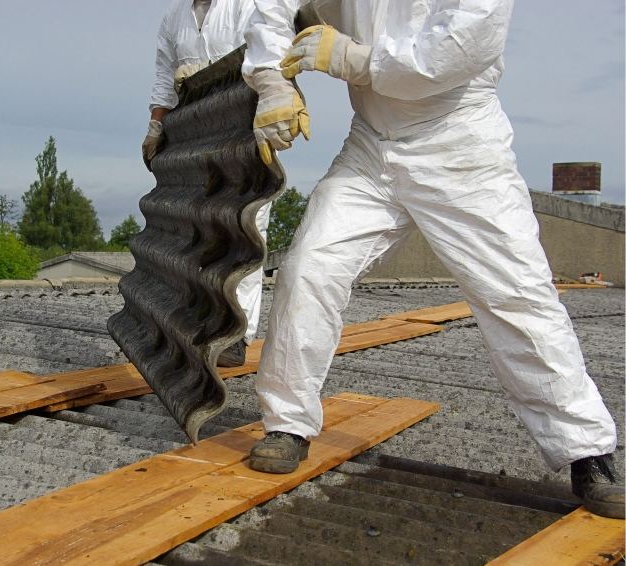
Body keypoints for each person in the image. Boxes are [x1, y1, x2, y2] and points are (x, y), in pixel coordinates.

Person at [241, 0, 623, 519]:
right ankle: (287, 423)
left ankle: (587, 452)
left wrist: (351, 59)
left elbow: (445, 56)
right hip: (371, 148)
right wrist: (272, 83)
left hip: (461, 146)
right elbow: (273, 6)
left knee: (516, 295)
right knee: (310, 267)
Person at [144, 0, 269, 367]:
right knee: (197, 227)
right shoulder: (175, 16)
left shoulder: (248, 5)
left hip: (245, 123)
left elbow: (273, 55)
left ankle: (237, 334)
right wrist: (156, 125)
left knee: (245, 227)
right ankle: (196, 322)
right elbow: (165, 75)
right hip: (194, 129)